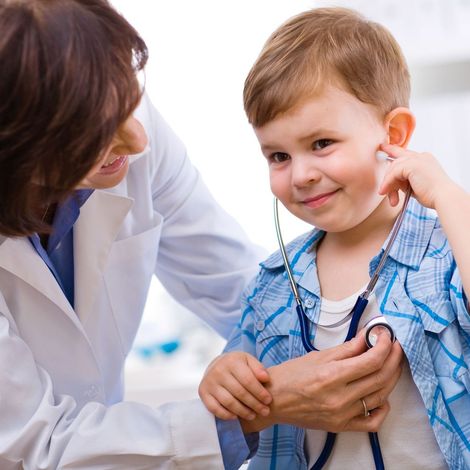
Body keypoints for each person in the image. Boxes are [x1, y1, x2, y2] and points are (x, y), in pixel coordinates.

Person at [0, 1, 403, 468]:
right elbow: (32, 444)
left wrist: (328, 342)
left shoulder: (119, 121)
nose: (138, 143)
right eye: (94, 138)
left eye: (129, 101)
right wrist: (253, 404)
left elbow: (241, 288)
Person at [199, 6, 470, 469]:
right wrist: (221, 379)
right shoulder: (272, 284)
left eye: (321, 143)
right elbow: (239, 384)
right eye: (278, 155)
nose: (301, 174)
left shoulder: (446, 249)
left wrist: (446, 194)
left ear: (394, 134)